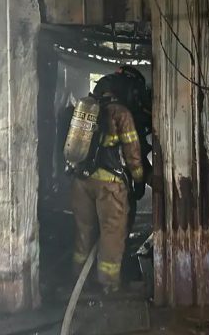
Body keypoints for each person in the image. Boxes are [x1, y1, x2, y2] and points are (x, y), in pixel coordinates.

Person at [70, 69, 146, 293]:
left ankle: (79, 279)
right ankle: (108, 283)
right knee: (111, 233)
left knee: (83, 231)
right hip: (109, 186)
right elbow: (132, 154)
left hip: (81, 182)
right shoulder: (121, 113)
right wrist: (139, 179)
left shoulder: (84, 110)